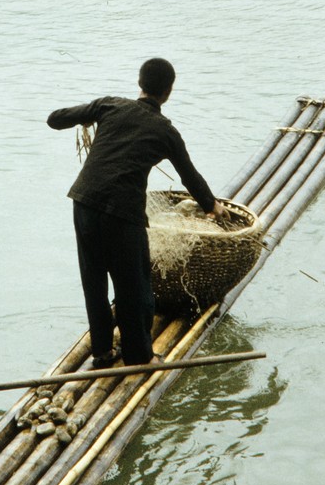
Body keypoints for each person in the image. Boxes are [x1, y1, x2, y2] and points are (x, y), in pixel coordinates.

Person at [48, 58, 226, 368]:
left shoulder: (109, 106)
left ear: (139, 83)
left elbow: (55, 119)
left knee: (94, 281)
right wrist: (212, 205)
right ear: (168, 91)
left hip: (85, 201)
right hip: (122, 212)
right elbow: (190, 177)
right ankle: (140, 356)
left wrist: (88, 117)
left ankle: (102, 352)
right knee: (135, 285)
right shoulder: (165, 130)